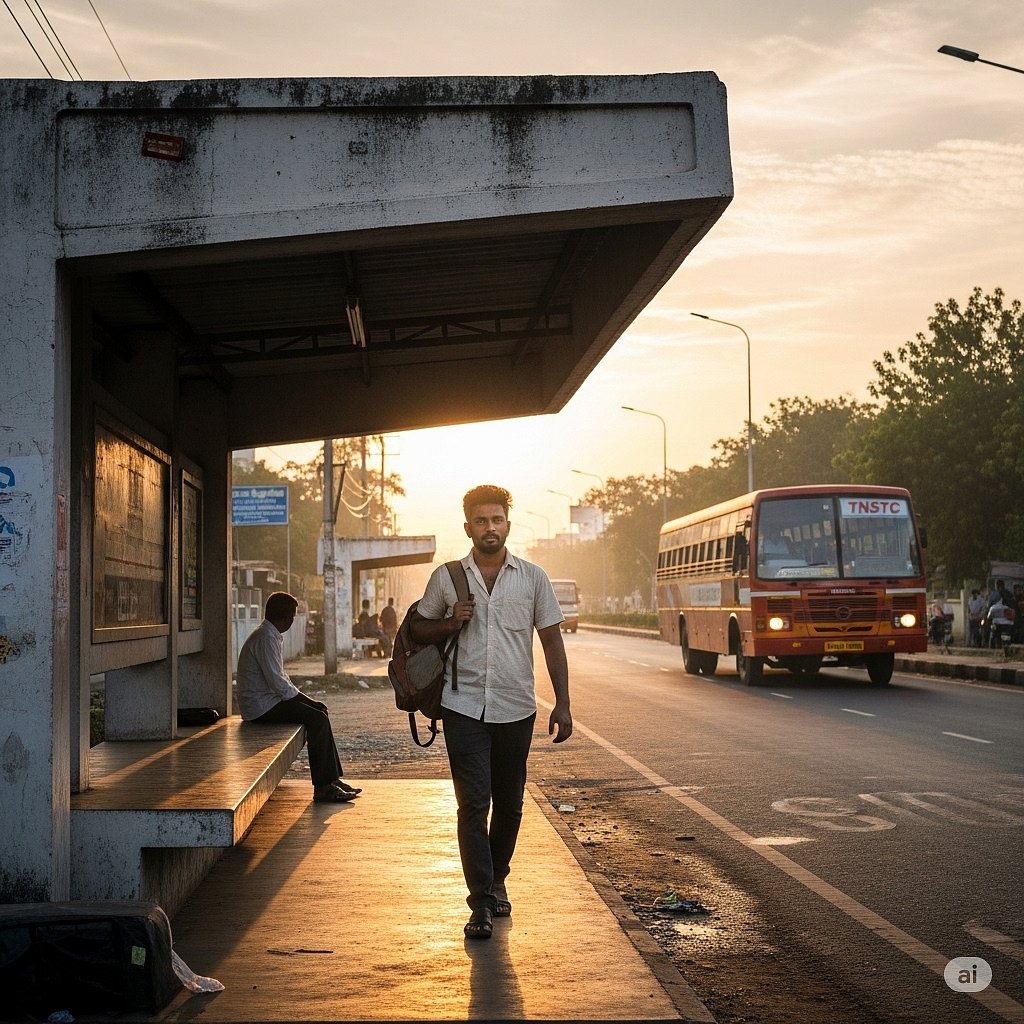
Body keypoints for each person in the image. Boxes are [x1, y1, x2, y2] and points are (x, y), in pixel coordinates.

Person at [410, 484, 572, 941]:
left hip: (517, 708)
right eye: (481, 521)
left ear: (507, 524)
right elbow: (418, 627)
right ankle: (480, 901)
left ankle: (498, 875)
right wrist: (449, 620)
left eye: (497, 520)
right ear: (468, 527)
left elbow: (552, 641)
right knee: (472, 804)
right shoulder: (447, 577)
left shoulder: (533, 577)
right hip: (462, 707)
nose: (490, 528)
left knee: (511, 804)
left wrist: (562, 702)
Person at [236, 591, 361, 803]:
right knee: (317, 719)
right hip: (261, 707)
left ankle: (331, 779)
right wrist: (309, 702)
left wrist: (309, 702)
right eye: (292, 616)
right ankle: (322, 787)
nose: (294, 621)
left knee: (319, 715)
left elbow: (282, 680)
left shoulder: (269, 635)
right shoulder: (266, 638)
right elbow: (279, 685)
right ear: (283, 617)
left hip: (267, 702)